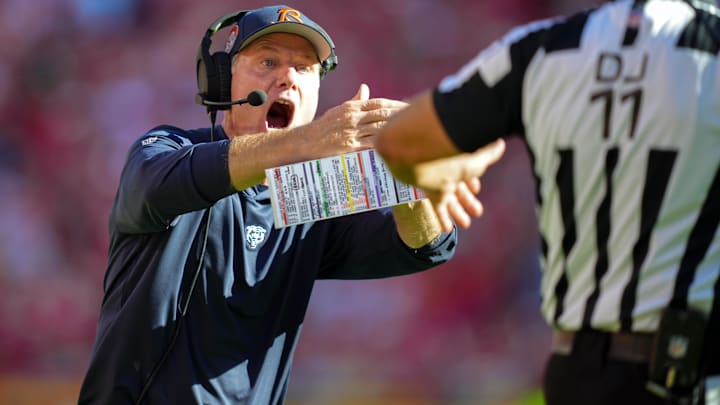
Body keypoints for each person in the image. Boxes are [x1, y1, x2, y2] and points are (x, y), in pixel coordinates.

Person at [77, 5, 503, 404]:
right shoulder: (167, 148)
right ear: (222, 80)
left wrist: (410, 185)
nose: (288, 77)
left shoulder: (309, 194)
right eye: (267, 62)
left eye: (303, 68)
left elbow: (421, 245)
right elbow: (158, 188)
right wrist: (309, 142)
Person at [376, 0, 720, 404]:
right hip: (690, 372)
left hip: (576, 374)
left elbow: (396, 141)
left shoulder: (540, 48)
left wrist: (439, 178)